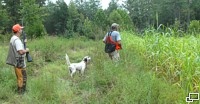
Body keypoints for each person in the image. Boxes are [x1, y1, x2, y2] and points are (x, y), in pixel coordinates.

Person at [6, 24, 29, 94]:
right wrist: (27, 50)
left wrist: (24, 42)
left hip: (17, 61)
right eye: (21, 29)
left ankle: (21, 91)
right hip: (20, 61)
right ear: (18, 31)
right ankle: (21, 93)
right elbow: (21, 51)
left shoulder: (13, 38)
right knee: (22, 77)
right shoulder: (17, 41)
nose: (22, 30)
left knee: (20, 77)